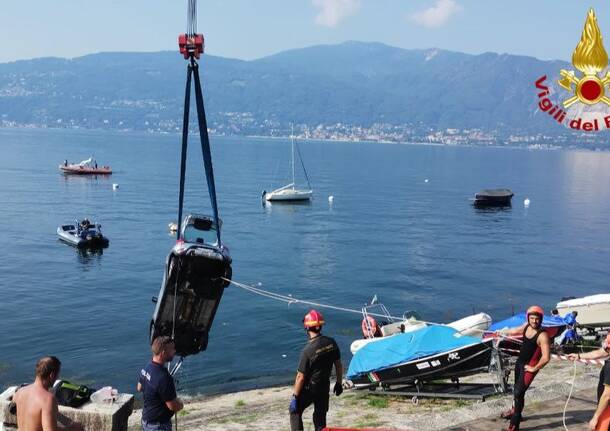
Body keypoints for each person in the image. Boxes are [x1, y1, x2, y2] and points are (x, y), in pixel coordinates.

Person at [497, 305, 551, 431]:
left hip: (530, 368)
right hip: (519, 364)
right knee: (517, 390)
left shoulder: (543, 336)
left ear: (541, 319)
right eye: (532, 318)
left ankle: (514, 426)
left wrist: (534, 368)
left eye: (537, 319)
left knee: (518, 393)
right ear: (528, 318)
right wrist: (502, 332)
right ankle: (516, 412)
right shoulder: (526, 326)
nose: (534, 321)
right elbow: (515, 330)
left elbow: (546, 357)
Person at [289, 309, 343, 431]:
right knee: (320, 418)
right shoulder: (331, 343)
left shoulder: (307, 351)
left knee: (295, 412)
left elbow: (300, 377)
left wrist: (295, 397)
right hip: (324, 387)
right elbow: (338, 365)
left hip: (310, 389)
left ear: (307, 328)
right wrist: (339, 383)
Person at [12, 356, 83, 431]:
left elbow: (15, 410)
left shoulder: (19, 392)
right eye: (57, 374)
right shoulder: (48, 399)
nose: (57, 377)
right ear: (51, 375)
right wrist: (70, 429)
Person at [137, 336, 184, 431]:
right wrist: (180, 404)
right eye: (172, 349)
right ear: (163, 353)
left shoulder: (148, 367)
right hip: (158, 426)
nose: (174, 351)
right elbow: (172, 406)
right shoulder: (164, 377)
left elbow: (139, 387)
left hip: (147, 420)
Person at [568, 332, 610, 430]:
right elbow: (601, 352)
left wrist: (595, 417)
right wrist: (579, 356)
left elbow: (607, 396)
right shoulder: (607, 352)